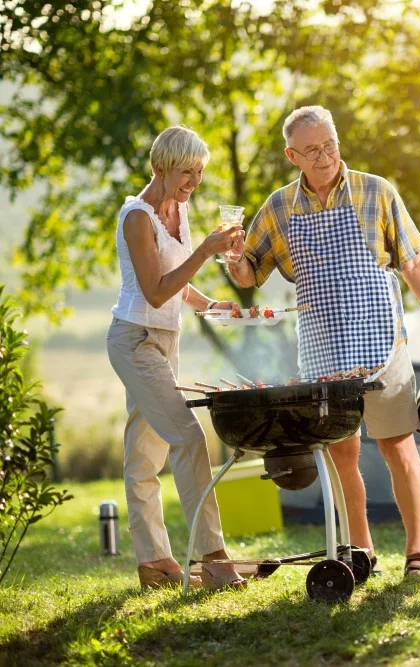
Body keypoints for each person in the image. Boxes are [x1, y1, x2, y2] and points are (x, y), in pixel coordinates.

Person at [226, 106, 420, 576]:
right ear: (293, 155)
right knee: (341, 450)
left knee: (397, 445)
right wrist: (231, 257)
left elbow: (413, 263)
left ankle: (417, 551)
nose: (325, 155)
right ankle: (361, 550)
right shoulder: (279, 207)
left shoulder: (376, 190)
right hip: (323, 344)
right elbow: (249, 273)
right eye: (312, 150)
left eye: (329, 144)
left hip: (379, 339)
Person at [106, 125, 247, 590]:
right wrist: (206, 250)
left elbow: (178, 284)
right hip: (134, 339)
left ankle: (154, 562)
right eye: (188, 171)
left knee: (145, 456)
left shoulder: (180, 210)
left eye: (200, 172)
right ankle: (214, 558)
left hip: (167, 338)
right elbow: (155, 288)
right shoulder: (137, 217)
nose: (194, 181)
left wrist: (209, 305)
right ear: (161, 166)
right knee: (188, 438)